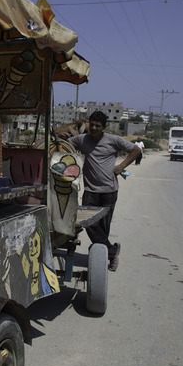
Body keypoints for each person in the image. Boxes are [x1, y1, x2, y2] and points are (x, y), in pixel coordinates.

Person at [61, 111, 140, 272]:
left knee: (104, 227)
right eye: (92, 124)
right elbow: (67, 145)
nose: (94, 128)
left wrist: (122, 166)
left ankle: (106, 257)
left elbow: (136, 150)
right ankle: (112, 251)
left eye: (98, 125)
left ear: (104, 127)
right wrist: (61, 138)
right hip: (91, 190)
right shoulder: (82, 139)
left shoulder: (113, 140)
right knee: (88, 223)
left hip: (109, 190)